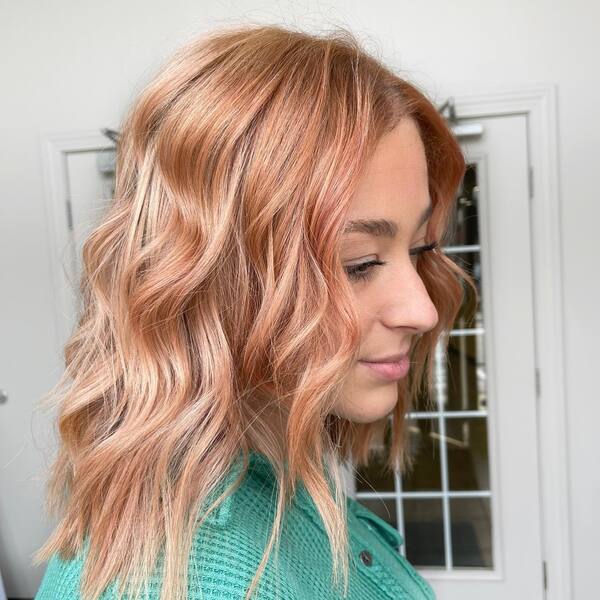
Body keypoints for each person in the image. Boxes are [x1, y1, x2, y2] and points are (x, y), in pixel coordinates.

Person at [33, 22, 475, 600]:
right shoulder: (201, 579)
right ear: (208, 279)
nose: (421, 309)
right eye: (360, 262)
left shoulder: (271, 485)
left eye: (417, 250)